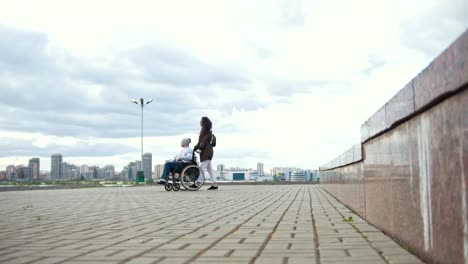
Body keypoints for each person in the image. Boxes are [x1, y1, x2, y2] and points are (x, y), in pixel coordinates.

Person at [193, 116, 217, 190]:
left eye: (201, 121)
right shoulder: (205, 132)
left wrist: (200, 148)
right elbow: (200, 142)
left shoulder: (207, 133)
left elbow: (203, 142)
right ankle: (215, 184)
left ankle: (198, 183)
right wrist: (195, 148)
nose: (200, 122)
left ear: (204, 123)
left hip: (206, 152)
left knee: (202, 168)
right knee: (210, 169)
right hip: (207, 152)